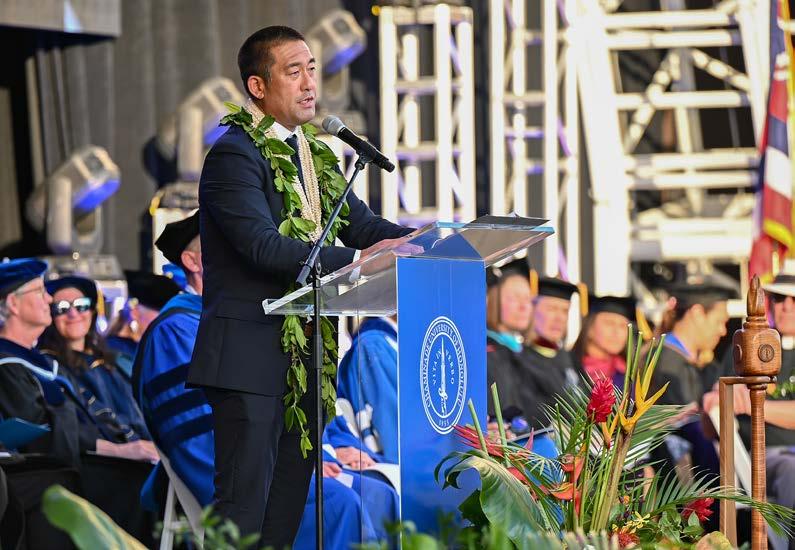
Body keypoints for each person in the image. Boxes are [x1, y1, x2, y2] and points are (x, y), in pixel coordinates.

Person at [186, 25, 412, 546]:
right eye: (294, 71)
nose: (311, 82)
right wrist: (358, 260)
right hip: (250, 362)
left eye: (312, 68)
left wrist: (425, 242)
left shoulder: (314, 156)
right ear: (258, 86)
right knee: (244, 515)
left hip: (305, 360)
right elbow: (262, 246)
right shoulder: (234, 155)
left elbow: (363, 227)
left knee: (284, 518)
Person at [38, 275, 150, 441]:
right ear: (51, 316)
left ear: (92, 311)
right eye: (61, 308)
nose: (73, 314)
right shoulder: (49, 367)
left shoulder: (109, 359)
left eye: (81, 305)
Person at [517, 277, 583, 428]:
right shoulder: (519, 360)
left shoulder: (570, 358)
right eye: (552, 309)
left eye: (565, 311)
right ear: (532, 309)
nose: (559, 318)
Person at [484, 259, 536, 430]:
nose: (524, 306)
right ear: (492, 299)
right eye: (514, 298)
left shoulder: (526, 352)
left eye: (528, 299)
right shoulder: (485, 353)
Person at [106, 270, 180, 377]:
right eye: (162, 313)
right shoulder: (116, 354)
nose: (171, 320)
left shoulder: (167, 350)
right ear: (135, 312)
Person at [571, 295, 636, 387]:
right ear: (589, 328)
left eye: (623, 326)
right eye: (609, 323)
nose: (617, 332)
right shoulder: (566, 367)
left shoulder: (628, 379)